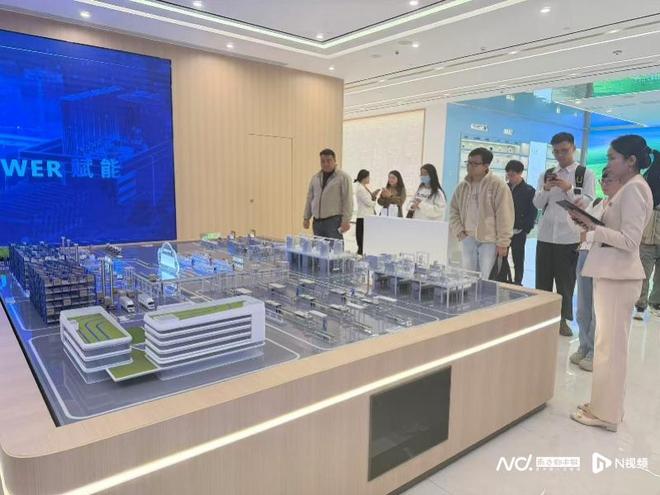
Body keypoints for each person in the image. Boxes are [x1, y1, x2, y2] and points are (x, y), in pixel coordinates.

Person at [569, 135, 656, 432]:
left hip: (620, 276)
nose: (608, 163)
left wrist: (595, 231)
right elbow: (614, 230)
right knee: (606, 346)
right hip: (611, 273)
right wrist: (591, 225)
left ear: (630, 161)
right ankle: (603, 406)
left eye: (612, 157)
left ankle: (606, 414)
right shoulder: (629, 188)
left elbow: (630, 241)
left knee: (612, 349)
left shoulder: (635, 189)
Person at [533, 132, 595, 336]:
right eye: (556, 151)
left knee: (565, 282)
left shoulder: (584, 174)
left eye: (565, 150)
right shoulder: (547, 174)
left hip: (569, 237)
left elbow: (586, 204)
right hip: (545, 235)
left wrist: (569, 189)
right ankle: (541, 316)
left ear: (573, 148)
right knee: (542, 280)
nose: (560, 155)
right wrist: (546, 188)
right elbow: (537, 203)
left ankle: (562, 319)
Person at [570, 168, 619, 372]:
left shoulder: (620, 206)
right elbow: (580, 230)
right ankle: (584, 345)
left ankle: (595, 351)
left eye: (610, 180)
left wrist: (592, 231)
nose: (605, 184)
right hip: (585, 252)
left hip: (604, 256)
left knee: (597, 307)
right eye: (603, 180)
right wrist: (575, 216)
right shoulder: (597, 202)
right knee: (583, 305)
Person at [449, 148, 514, 279]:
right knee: (466, 278)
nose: (470, 166)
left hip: (489, 241)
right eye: (468, 162)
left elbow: (505, 215)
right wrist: (459, 231)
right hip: (467, 238)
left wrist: (503, 242)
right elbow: (453, 210)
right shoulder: (462, 186)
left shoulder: (498, 185)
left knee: (486, 279)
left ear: (486, 166)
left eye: (475, 164)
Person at [303, 149, 353, 240]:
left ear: (334, 160)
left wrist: (346, 221)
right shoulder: (315, 178)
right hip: (317, 222)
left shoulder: (343, 177)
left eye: (329, 160)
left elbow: (348, 200)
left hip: (333, 222)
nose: (325, 164)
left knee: (334, 248)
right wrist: (306, 217)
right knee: (318, 248)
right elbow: (310, 198)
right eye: (322, 161)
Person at [633, 162, 660, 320]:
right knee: (643, 273)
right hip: (647, 236)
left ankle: (655, 303)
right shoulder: (648, 177)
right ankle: (640, 305)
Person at [505, 160, 536, 285]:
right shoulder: (504, 188)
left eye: (512, 175)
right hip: (504, 230)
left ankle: (518, 282)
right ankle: (504, 279)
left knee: (518, 258)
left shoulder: (529, 190)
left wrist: (526, 228)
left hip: (519, 231)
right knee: (502, 257)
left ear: (520, 173)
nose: (510, 178)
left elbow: (532, 212)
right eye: (508, 175)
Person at [354, 169, 380, 255]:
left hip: (366, 217)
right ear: (364, 178)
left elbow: (368, 199)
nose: (369, 179)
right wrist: (374, 200)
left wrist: (373, 195)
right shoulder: (360, 189)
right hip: (363, 217)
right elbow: (369, 203)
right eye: (368, 177)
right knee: (362, 241)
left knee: (366, 240)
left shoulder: (363, 187)